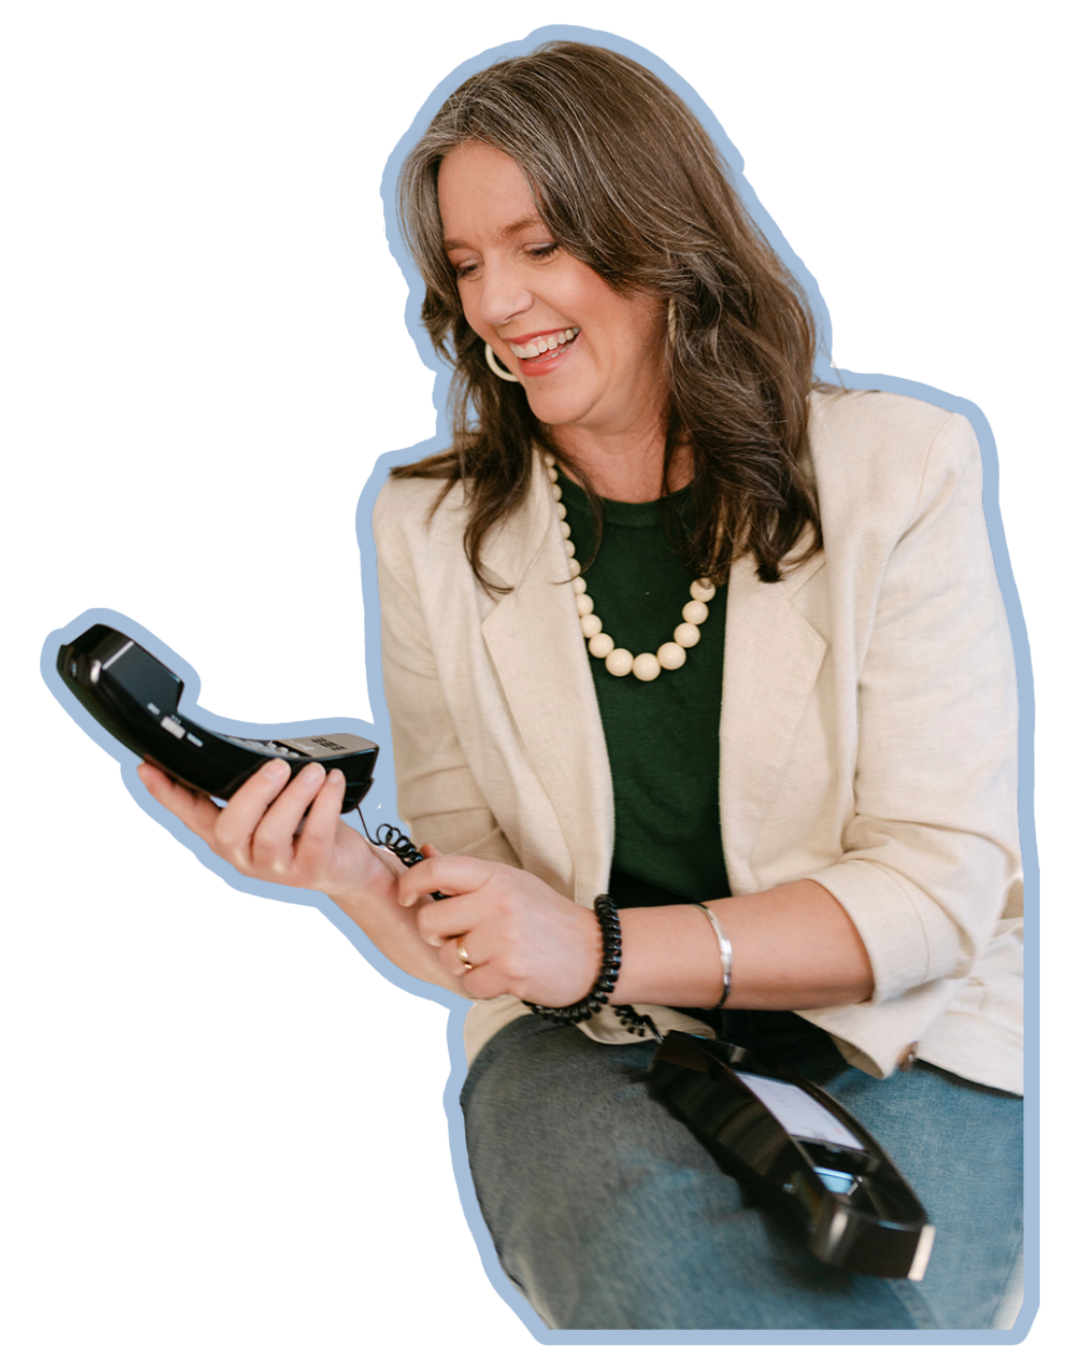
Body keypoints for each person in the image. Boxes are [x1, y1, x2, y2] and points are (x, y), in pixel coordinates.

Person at [137, 40, 1023, 1333]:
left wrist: (601, 942)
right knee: (662, 1278)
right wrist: (342, 868)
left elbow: (939, 888)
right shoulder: (428, 529)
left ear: (658, 233)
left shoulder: (900, 473)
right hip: (593, 1041)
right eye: (467, 264)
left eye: (539, 241)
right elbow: (483, 903)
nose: (497, 301)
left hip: (906, 1030)